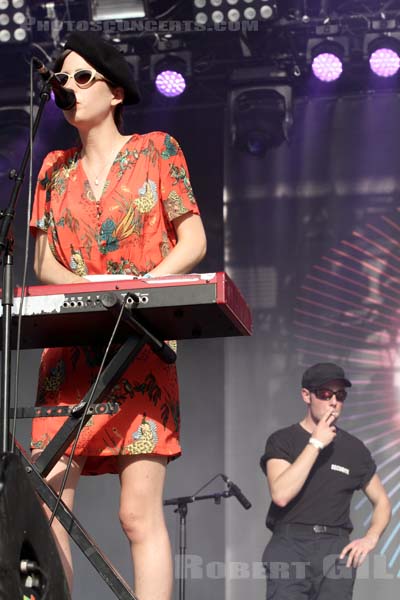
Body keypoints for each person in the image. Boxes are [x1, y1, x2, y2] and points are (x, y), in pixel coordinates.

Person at [30, 31, 207, 600]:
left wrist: (139, 287)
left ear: (117, 92)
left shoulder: (158, 149)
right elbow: (42, 261)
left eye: (84, 77)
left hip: (140, 342)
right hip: (72, 346)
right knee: (49, 500)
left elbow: (193, 240)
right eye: (62, 79)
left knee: (137, 514)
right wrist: (88, 288)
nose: (70, 89)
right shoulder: (53, 170)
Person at [260, 362, 391, 599]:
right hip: (291, 544)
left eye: (340, 396)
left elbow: (382, 501)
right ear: (306, 395)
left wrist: (370, 538)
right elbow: (280, 494)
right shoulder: (283, 440)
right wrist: (316, 443)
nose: (334, 402)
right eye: (325, 394)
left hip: (335, 547)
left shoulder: (354, 449)